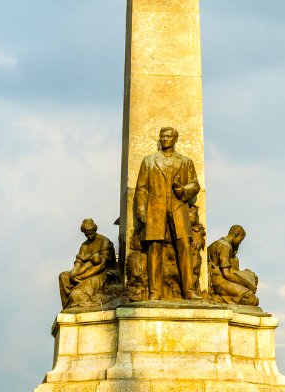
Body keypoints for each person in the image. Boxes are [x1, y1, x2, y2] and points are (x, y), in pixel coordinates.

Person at [133, 127, 201, 300]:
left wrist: (184, 191)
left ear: (175, 139)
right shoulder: (149, 161)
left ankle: (189, 291)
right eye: (162, 136)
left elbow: (195, 185)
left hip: (178, 209)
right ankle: (155, 291)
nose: (165, 139)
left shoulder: (185, 161)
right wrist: (141, 210)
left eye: (168, 136)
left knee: (184, 247)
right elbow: (141, 187)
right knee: (154, 248)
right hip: (155, 210)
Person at [58, 219, 117, 309]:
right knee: (63, 276)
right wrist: (75, 270)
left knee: (76, 294)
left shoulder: (104, 241)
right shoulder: (84, 245)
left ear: (95, 231)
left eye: (91, 233)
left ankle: (75, 297)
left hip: (101, 274)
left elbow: (102, 266)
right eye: (86, 234)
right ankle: (68, 305)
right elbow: (79, 261)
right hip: (86, 271)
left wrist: (82, 276)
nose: (89, 236)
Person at [207, 225, 259, 306]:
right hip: (220, 282)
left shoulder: (216, 243)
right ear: (236, 235)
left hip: (216, 281)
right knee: (254, 300)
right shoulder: (226, 246)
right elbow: (226, 274)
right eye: (240, 239)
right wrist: (246, 283)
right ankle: (220, 299)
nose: (240, 242)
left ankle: (222, 299)